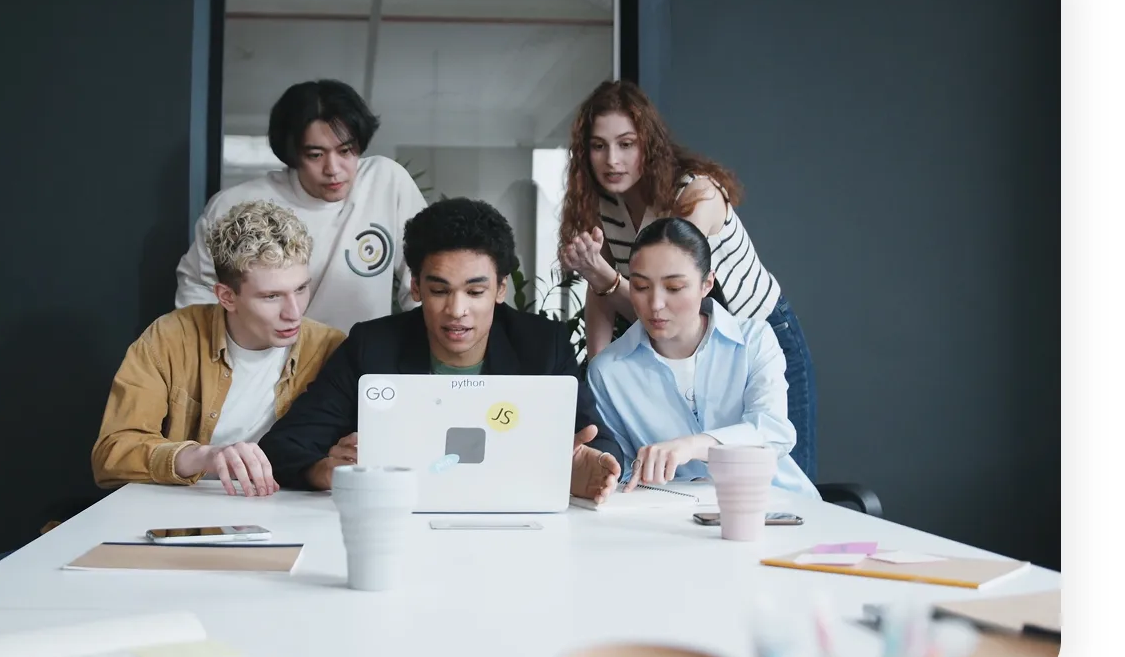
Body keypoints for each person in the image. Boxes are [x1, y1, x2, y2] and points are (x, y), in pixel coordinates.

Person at [259, 197, 624, 502]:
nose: (456, 310)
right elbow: (283, 446)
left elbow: (600, 439)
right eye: (439, 290)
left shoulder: (542, 346)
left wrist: (591, 463)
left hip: (511, 517)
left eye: (475, 292)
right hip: (401, 517)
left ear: (500, 289)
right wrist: (324, 470)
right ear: (416, 287)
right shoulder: (373, 347)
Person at [557, 79, 818, 481]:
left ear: (650, 143)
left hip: (750, 333)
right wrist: (601, 372)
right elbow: (626, 296)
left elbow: (668, 288)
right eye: (598, 145)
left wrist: (606, 277)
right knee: (687, 477)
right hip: (673, 339)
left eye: (626, 144)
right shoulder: (604, 205)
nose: (612, 159)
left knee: (777, 472)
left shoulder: (697, 195)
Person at [92, 200, 345, 496]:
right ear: (226, 297)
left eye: (301, 289)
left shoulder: (330, 347)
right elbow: (111, 454)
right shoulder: (171, 338)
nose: (294, 312)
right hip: (182, 515)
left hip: (293, 511)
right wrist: (204, 456)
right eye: (271, 296)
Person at [586, 217, 818, 499]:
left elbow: (773, 431)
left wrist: (691, 446)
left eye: (673, 288)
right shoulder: (608, 371)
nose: (656, 304)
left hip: (777, 505)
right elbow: (621, 474)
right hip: (678, 524)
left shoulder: (753, 340)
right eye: (641, 287)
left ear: (707, 283)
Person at [175, 79, 428, 332]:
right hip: (273, 360)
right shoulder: (237, 206)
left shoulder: (386, 182)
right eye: (315, 155)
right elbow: (198, 289)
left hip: (360, 360)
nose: (333, 170)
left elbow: (423, 278)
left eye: (346, 151)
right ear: (292, 154)